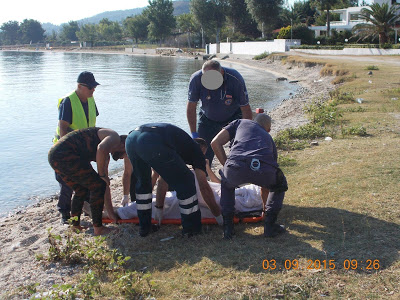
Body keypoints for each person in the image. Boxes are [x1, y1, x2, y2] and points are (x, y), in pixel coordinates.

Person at [125, 123, 222, 237]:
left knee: (143, 184)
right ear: (203, 149)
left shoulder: (179, 145)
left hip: (131, 139)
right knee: (187, 181)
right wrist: (218, 216)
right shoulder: (197, 152)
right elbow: (203, 187)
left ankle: (144, 227)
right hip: (151, 141)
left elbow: (162, 179)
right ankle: (191, 229)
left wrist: (159, 209)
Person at [211, 114, 288, 239]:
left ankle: (228, 229)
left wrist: (227, 167)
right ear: (268, 129)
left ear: (253, 121)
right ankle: (269, 226)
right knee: (279, 184)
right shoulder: (269, 139)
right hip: (263, 169)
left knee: (227, 184)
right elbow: (268, 184)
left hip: (236, 165)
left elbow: (215, 143)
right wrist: (265, 211)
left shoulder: (240, 122)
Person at [48, 127, 126, 236]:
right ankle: (98, 228)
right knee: (97, 186)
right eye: (124, 154)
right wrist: (101, 175)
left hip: (54, 156)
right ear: (123, 145)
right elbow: (101, 148)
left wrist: (110, 213)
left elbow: (106, 185)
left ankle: (75, 225)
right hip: (65, 153)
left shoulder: (105, 155)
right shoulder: (114, 137)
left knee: (81, 190)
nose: (120, 158)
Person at [52, 71, 100, 224]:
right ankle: (65, 214)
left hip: (82, 150)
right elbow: (63, 129)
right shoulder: (68, 101)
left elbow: (92, 124)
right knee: (67, 183)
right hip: (65, 151)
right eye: (90, 87)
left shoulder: (91, 100)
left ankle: (86, 209)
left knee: (85, 180)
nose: (93, 90)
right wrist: (67, 151)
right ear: (80, 86)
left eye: (94, 87)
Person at [187, 60, 253, 164]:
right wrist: (194, 134)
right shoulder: (196, 79)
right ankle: (204, 177)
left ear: (221, 72)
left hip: (232, 118)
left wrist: (246, 133)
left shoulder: (235, 78)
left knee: (238, 150)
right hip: (207, 119)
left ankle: (233, 172)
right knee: (201, 155)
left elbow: (245, 108)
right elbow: (191, 108)